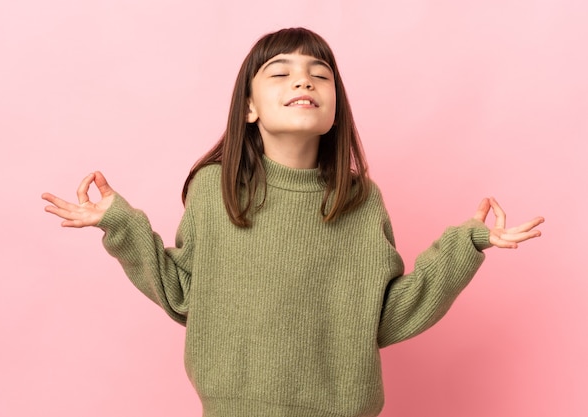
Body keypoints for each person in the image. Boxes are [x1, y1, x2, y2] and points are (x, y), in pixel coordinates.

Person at [42, 27, 544, 417]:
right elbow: (183, 293)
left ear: (334, 111)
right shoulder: (214, 190)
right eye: (280, 73)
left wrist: (467, 245)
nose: (303, 80)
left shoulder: (361, 202)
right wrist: (119, 223)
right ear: (250, 107)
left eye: (319, 74)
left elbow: (385, 315)